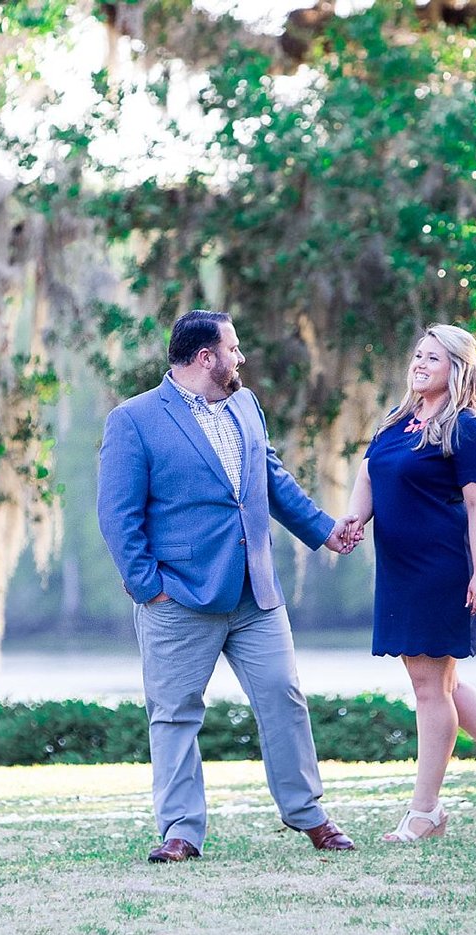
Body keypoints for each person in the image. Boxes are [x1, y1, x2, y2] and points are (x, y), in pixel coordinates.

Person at [95, 310, 367, 864]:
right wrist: (150, 587)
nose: (240, 358)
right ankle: (181, 832)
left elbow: (269, 477)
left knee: (283, 698)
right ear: (205, 358)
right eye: (233, 348)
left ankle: (309, 815)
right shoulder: (135, 420)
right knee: (174, 713)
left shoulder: (245, 404)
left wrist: (323, 531)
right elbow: (117, 516)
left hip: (256, 593)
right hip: (179, 596)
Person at [333, 325, 476, 843]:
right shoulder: (395, 424)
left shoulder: (467, 430)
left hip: (442, 567)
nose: (419, 364)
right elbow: (369, 477)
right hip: (399, 570)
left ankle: (425, 812)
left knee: (430, 688)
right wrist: (352, 519)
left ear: (456, 368)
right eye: (416, 355)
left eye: (432, 358)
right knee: (441, 686)